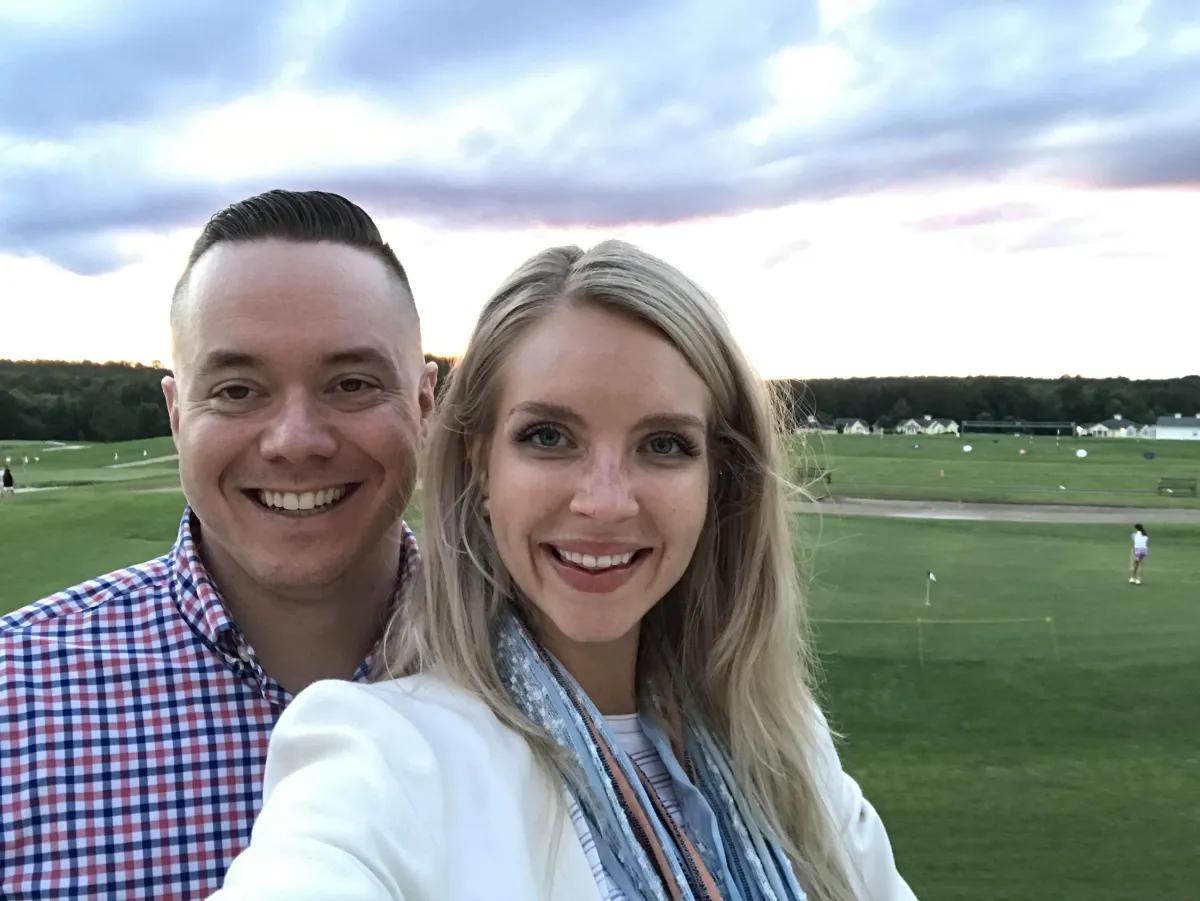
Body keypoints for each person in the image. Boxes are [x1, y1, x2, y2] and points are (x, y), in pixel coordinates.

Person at [210, 240, 916, 900]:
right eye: (548, 436)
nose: (604, 502)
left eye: (664, 444)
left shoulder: (785, 748)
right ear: (481, 465)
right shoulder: (385, 754)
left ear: (718, 480)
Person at [0, 190, 437, 900]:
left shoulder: (542, 672)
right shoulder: (14, 700)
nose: (295, 440)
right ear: (177, 416)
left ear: (423, 405)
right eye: (237, 390)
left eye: (352, 383)